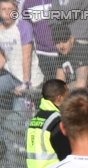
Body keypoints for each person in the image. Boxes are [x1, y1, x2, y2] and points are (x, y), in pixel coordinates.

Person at [0, 0, 44, 159]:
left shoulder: (22, 25)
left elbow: (27, 56)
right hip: (12, 75)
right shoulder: (0, 29)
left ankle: (15, 154)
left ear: (16, 10)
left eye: (10, 9)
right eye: (3, 9)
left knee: (14, 121)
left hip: (29, 78)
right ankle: (2, 142)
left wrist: (25, 83)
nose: (6, 13)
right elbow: (3, 57)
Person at [51, 24, 88, 91]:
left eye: (64, 41)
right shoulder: (61, 54)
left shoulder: (81, 52)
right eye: (57, 42)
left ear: (71, 39)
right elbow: (59, 82)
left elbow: (80, 85)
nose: (61, 46)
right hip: (75, 95)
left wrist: (63, 89)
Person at [22, 0, 59, 81]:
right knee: (47, 87)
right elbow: (27, 27)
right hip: (41, 54)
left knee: (62, 88)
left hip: (61, 53)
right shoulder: (28, 3)